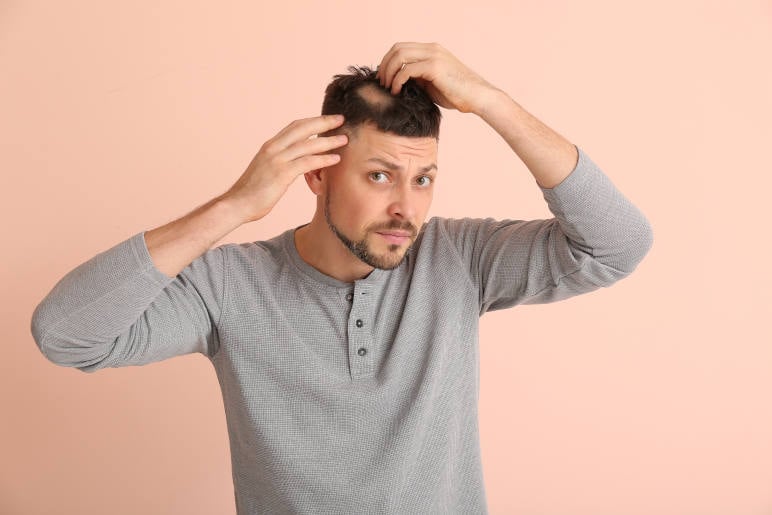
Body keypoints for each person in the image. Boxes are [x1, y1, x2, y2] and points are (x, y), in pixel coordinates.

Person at [31, 42, 653, 514]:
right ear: (317, 173)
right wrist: (233, 207)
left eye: (424, 179)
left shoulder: (460, 257)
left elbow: (618, 244)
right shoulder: (228, 283)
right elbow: (67, 335)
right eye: (380, 175)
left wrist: (489, 99)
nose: (406, 208)